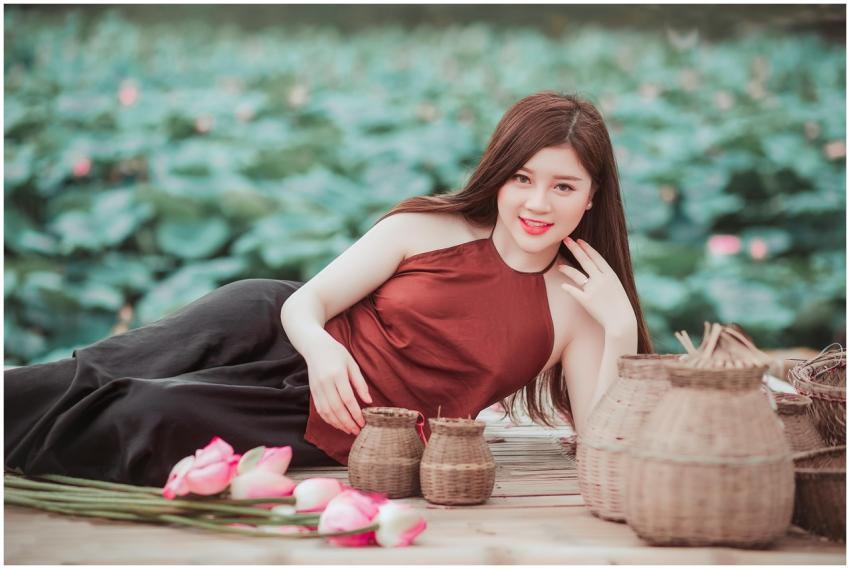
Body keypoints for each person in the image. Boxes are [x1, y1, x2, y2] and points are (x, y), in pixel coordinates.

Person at [5, 91, 652, 487]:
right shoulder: (430, 227)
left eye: (563, 186)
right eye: (522, 179)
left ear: (592, 195)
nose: (537, 203)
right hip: (280, 329)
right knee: (103, 366)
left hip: (345, 422)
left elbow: (602, 450)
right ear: (500, 176)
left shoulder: (580, 304)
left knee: (148, 414)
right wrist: (320, 351)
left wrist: (619, 328)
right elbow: (304, 302)